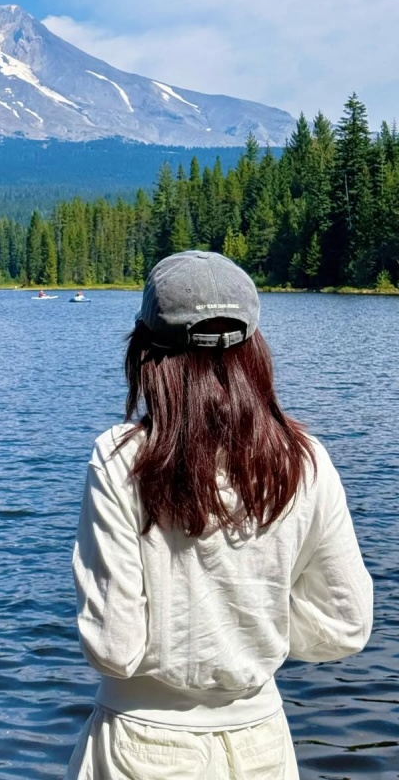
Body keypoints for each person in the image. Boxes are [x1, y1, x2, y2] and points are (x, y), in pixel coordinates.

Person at [66, 250, 373, 780]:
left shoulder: (120, 460)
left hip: (141, 745)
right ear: (254, 349)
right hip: (262, 747)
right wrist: (254, 626)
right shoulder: (305, 460)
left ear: (145, 352)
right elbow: (345, 625)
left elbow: (115, 648)